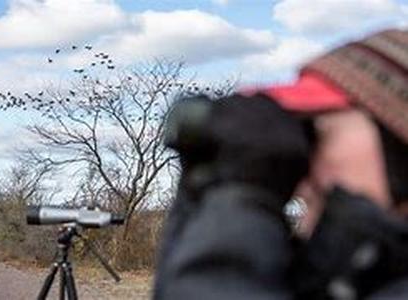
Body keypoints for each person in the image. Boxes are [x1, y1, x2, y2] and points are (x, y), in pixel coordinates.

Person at [153, 28, 408, 300]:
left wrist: (240, 194)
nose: (300, 171)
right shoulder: (359, 278)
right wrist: (203, 183)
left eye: (313, 134)